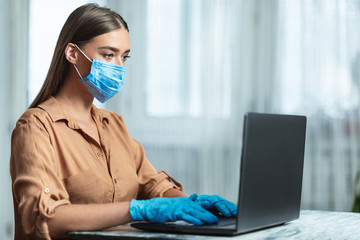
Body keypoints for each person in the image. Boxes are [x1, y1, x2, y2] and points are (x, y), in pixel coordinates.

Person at [10, 3, 237, 240]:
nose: (119, 66)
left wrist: (192, 202)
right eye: (108, 54)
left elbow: (154, 186)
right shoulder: (36, 127)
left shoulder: (113, 124)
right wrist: (137, 209)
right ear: (72, 54)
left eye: (124, 57)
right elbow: (48, 219)